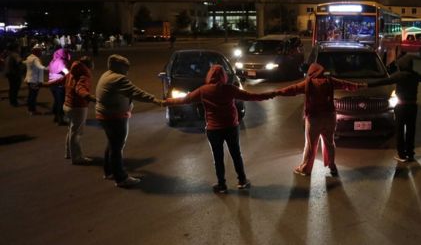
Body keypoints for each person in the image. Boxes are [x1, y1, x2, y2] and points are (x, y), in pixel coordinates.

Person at [164, 65, 275, 193]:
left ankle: (221, 184)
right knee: (236, 154)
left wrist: (167, 102)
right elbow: (250, 96)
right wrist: (269, 95)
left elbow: (185, 99)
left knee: (218, 157)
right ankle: (242, 180)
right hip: (230, 127)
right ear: (223, 76)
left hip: (213, 129)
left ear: (209, 76)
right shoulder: (229, 89)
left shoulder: (203, 90)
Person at [275, 63, 365, 176]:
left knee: (311, 145)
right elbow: (345, 84)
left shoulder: (308, 83)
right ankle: (332, 166)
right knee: (330, 142)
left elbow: (293, 89)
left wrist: (276, 92)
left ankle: (305, 169)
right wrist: (361, 85)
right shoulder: (329, 81)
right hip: (330, 117)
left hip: (314, 119)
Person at [95, 54, 163, 187]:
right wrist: (155, 100)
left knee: (112, 144)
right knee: (117, 148)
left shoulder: (107, 74)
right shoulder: (118, 79)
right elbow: (135, 92)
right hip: (114, 117)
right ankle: (121, 178)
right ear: (120, 67)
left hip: (105, 115)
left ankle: (109, 172)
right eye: (126, 68)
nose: (127, 71)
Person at [367, 55, 421, 162]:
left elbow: (383, 82)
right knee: (411, 130)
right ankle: (410, 153)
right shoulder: (415, 75)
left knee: (400, 130)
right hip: (412, 106)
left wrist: (366, 85)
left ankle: (401, 155)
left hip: (401, 106)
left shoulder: (399, 75)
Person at [43, 56, 96, 164]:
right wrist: (92, 98)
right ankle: (77, 157)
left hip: (67, 105)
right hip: (78, 107)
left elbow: (59, 81)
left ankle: (69, 152)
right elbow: (79, 89)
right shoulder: (84, 75)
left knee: (71, 130)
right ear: (89, 65)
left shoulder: (72, 72)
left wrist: (44, 84)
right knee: (76, 133)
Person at [48, 46, 71, 125]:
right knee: (60, 102)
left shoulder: (52, 61)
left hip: (52, 84)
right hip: (59, 84)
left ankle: (56, 117)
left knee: (56, 101)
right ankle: (60, 119)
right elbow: (66, 72)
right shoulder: (61, 62)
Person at [23, 44, 48, 115]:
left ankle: (30, 109)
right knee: (33, 96)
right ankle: (32, 110)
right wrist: (48, 68)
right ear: (36, 52)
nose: (41, 53)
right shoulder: (36, 59)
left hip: (29, 79)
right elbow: (39, 66)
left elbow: (25, 63)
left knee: (31, 95)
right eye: (40, 51)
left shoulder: (29, 57)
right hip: (34, 80)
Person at [4, 43, 24, 107]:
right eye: (19, 47)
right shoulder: (15, 55)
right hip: (15, 74)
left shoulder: (9, 54)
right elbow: (20, 62)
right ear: (16, 48)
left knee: (12, 88)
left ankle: (12, 101)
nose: (20, 49)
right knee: (15, 88)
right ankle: (14, 102)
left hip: (9, 73)